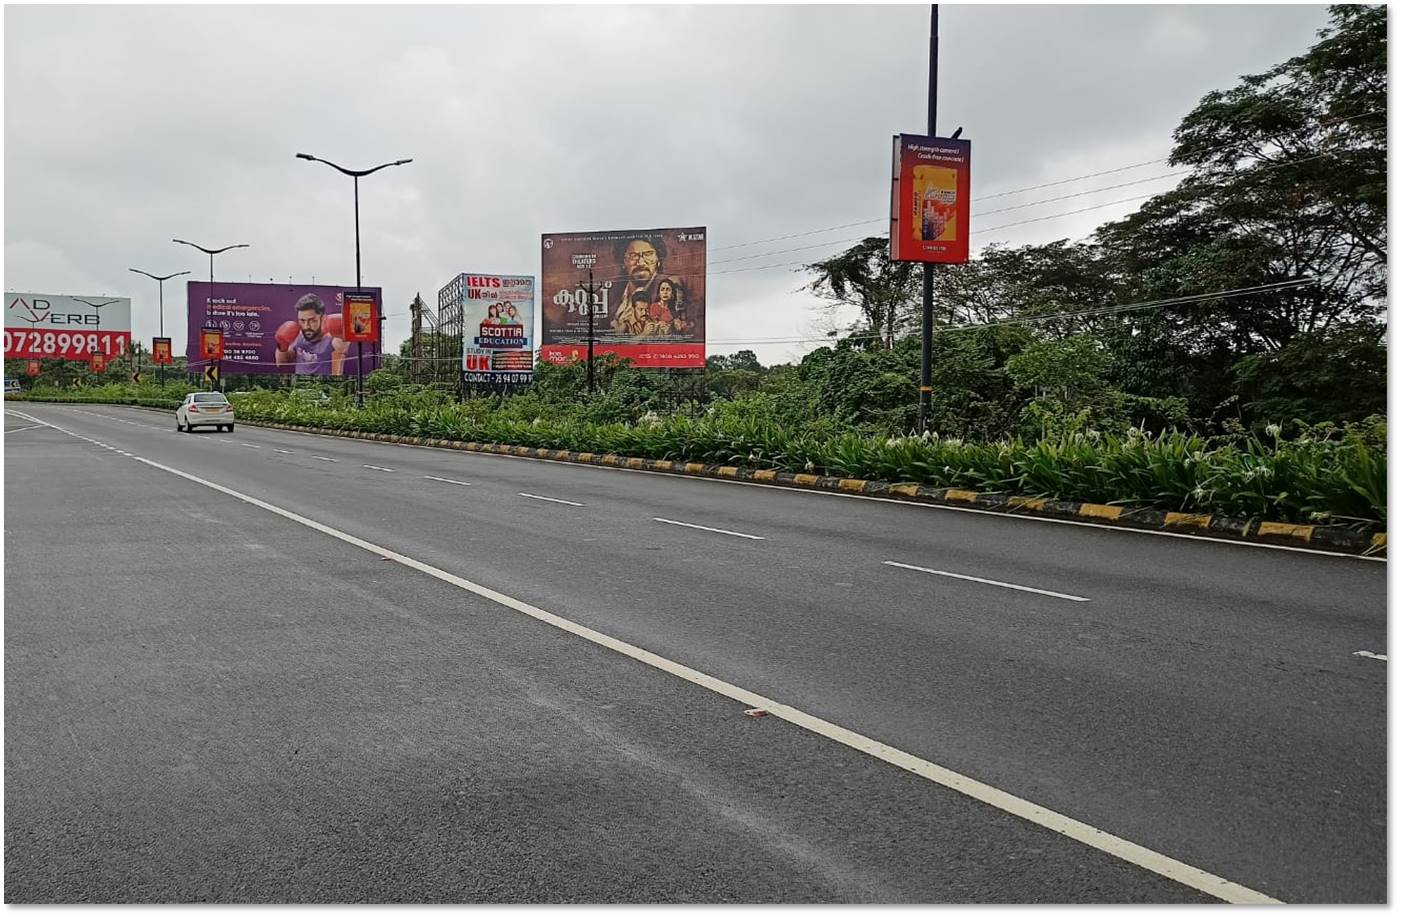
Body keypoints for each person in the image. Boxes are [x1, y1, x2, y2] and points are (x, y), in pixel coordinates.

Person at [274, 293, 348, 375]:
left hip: (326, 385)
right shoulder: (298, 335)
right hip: (299, 385)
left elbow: (341, 346)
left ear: (323, 318)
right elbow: (281, 363)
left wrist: (344, 328)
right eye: (302, 320)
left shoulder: (332, 338)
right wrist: (281, 346)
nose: (306, 326)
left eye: (312, 320)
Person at [610, 236, 667, 330]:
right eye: (633, 255)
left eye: (648, 254)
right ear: (623, 262)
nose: (641, 263)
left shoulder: (668, 289)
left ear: (658, 260)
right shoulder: (612, 294)